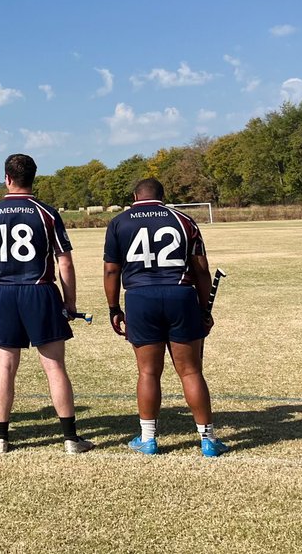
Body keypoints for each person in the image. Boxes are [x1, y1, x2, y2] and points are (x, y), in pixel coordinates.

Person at [0, 154, 93, 455]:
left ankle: (0, 438)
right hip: (40, 291)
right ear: (33, 178)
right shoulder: (47, 213)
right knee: (54, 366)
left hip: (4, 293)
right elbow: (64, 262)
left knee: (5, 366)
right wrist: (69, 302)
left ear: (7, 178)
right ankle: (70, 438)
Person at [104, 178, 229, 457]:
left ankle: (148, 439)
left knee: (148, 372)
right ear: (163, 195)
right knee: (191, 371)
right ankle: (208, 440)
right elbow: (201, 269)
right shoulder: (184, 220)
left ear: (135, 196)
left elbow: (112, 270)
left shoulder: (119, 222)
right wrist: (205, 309)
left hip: (140, 298)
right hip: (180, 295)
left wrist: (113, 308)